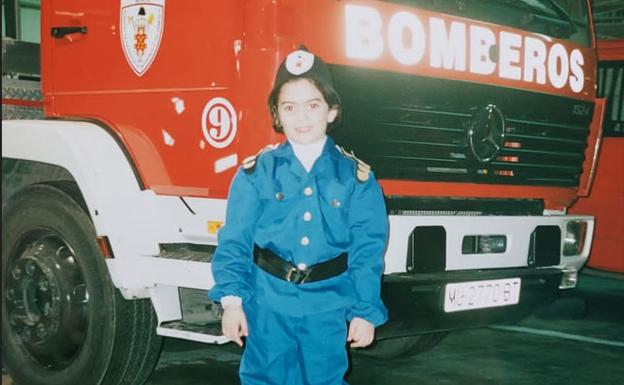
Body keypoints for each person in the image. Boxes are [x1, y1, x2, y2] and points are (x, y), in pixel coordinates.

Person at [208, 46, 388, 385]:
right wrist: (232, 301)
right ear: (276, 113)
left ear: (332, 111)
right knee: (262, 377)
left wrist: (365, 311)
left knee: (324, 379)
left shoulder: (355, 177)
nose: (301, 118)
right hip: (267, 301)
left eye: (313, 106)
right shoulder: (256, 172)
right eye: (289, 107)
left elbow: (367, 251)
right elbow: (235, 240)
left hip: (329, 305)